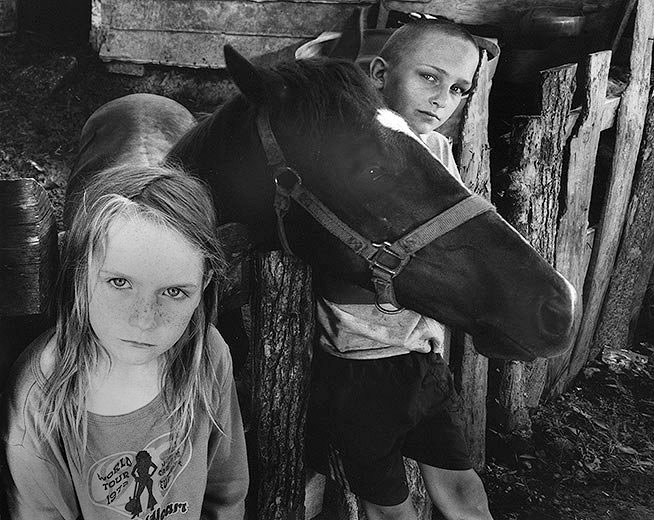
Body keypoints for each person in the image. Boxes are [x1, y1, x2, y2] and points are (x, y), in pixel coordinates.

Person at [306, 19, 494, 520]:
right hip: (358, 367)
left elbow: (448, 247)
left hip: (423, 356)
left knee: (464, 491)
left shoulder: (436, 152)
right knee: (390, 507)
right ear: (380, 72)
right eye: (429, 78)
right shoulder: (342, 149)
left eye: (457, 89)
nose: (442, 99)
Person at [1, 164, 249, 519]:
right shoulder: (42, 396)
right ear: (81, 271)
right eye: (119, 282)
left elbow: (226, 490)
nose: (145, 320)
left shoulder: (207, 353)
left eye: (174, 291)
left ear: (206, 281)